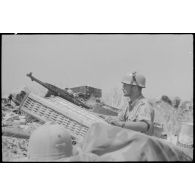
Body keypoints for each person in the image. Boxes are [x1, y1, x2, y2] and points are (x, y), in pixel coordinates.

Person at [105, 71, 154, 135]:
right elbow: (119, 119)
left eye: (125, 85)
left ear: (135, 88)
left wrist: (121, 124)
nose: (122, 88)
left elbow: (144, 125)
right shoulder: (129, 105)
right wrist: (105, 117)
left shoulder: (144, 105)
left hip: (138, 144)